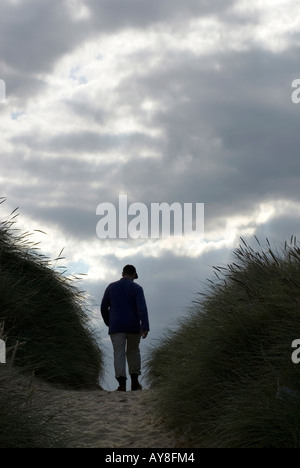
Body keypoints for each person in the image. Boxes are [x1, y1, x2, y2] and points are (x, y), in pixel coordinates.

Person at [101, 265, 150, 391]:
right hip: (133, 326)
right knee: (133, 352)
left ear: (123, 273)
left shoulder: (111, 287)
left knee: (119, 353)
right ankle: (134, 383)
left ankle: (121, 384)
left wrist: (109, 322)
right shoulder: (137, 288)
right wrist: (145, 326)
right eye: (134, 277)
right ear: (133, 274)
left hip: (116, 326)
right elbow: (142, 309)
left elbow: (103, 307)